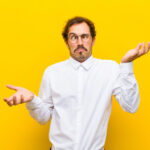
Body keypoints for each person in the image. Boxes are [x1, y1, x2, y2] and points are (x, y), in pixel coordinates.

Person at [3, 16, 150, 150]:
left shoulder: (110, 69)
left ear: (93, 40)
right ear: (67, 42)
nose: (80, 42)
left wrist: (126, 65)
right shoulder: (52, 73)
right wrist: (32, 100)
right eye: (74, 37)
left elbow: (131, 106)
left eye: (84, 36)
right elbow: (43, 117)